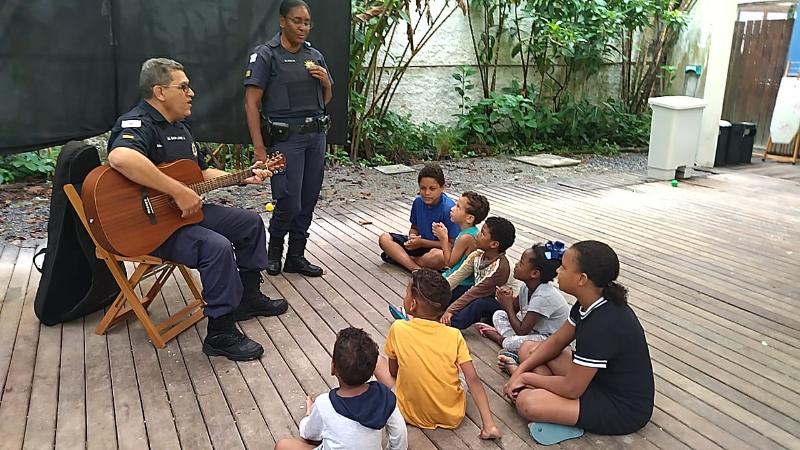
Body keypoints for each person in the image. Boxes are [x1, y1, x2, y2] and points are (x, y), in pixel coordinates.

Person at [107, 58, 288, 361]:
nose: (191, 93)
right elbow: (121, 157)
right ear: (160, 92)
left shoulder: (182, 129)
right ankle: (220, 332)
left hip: (184, 215)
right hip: (150, 227)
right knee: (215, 247)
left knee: (250, 223)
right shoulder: (138, 123)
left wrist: (243, 176)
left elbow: (201, 175)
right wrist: (176, 190)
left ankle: (247, 297)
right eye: (183, 87)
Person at [502, 241, 655, 436]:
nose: (557, 270)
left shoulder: (604, 323)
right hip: (592, 380)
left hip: (620, 407)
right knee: (528, 349)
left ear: (582, 279)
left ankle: (536, 392)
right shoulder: (588, 302)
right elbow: (557, 341)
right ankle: (538, 391)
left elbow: (572, 388)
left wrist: (523, 375)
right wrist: (520, 372)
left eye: (564, 267)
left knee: (528, 403)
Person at [244, 0, 333, 278]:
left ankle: (296, 255)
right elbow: (250, 103)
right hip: (285, 140)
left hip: (315, 137)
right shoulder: (266, 55)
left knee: (307, 199)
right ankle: (274, 253)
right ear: (283, 21)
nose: (303, 27)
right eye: (297, 21)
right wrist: (259, 149)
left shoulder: (314, 56)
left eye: (307, 22)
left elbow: (324, 101)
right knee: (288, 200)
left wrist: (326, 82)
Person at [374, 269, 502, 439]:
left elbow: (393, 372)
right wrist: (488, 424)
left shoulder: (398, 328)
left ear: (412, 305)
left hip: (409, 413)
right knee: (462, 369)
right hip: (451, 416)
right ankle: (490, 427)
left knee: (376, 360)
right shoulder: (454, 335)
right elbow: (473, 380)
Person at [275, 327, 407, 450]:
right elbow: (400, 433)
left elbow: (308, 433)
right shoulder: (385, 397)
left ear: (333, 368)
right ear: (373, 370)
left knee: (282, 445)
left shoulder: (324, 404)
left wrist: (309, 413)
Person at [476, 241, 569, 354]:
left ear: (534, 274)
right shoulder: (526, 286)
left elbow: (521, 330)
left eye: (521, 263)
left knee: (511, 342)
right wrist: (507, 298)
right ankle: (512, 343)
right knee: (498, 315)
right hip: (531, 333)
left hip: (549, 339)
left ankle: (500, 339)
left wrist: (507, 305)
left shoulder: (544, 296)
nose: (516, 265)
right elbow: (514, 310)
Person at [378, 164, 460, 271]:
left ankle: (403, 260)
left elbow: (452, 245)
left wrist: (422, 242)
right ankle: (415, 267)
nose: (427, 193)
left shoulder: (448, 209)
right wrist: (412, 237)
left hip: (436, 248)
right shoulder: (418, 202)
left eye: (432, 189)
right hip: (419, 245)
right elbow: (414, 227)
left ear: (442, 188)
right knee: (384, 238)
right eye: (423, 188)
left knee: (440, 257)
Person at [441, 217, 518, 330]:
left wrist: (451, 310)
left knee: (479, 303)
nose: (477, 235)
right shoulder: (477, 255)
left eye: (482, 233)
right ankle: (435, 310)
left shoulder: (501, 267)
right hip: (482, 293)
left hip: (503, 308)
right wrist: (434, 295)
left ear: (494, 244)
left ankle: (451, 323)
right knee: (459, 289)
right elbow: (456, 277)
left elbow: (476, 292)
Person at [431, 191, 490, 301]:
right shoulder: (470, 232)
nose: (452, 209)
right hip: (455, 279)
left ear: (469, 218)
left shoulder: (466, 237)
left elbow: (449, 263)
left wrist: (444, 238)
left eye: (458, 207)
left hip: (460, 284)